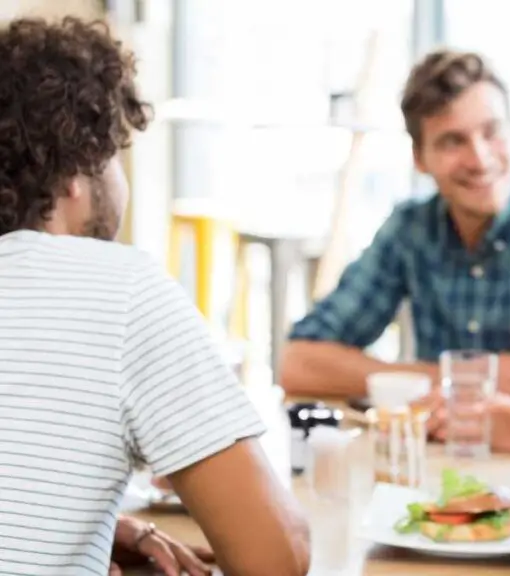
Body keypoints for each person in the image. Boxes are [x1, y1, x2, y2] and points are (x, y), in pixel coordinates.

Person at [0, 17, 309, 575]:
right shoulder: (119, 288)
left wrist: (95, 531)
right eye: (117, 153)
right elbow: (276, 555)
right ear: (76, 173)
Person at [281, 49, 510, 448]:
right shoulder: (411, 229)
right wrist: (453, 379)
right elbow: (297, 362)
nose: (480, 158)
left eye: (492, 132)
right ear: (420, 158)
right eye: (453, 141)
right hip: (446, 472)